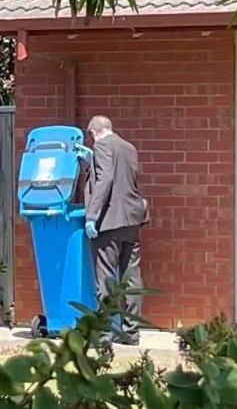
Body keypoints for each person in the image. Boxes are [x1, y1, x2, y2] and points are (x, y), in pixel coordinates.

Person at [83, 115, 148, 345]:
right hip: (132, 219)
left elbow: (106, 179)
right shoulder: (128, 147)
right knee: (131, 276)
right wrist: (92, 160)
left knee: (106, 276)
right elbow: (124, 178)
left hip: (109, 221)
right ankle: (131, 333)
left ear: (93, 133)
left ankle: (106, 333)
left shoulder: (101, 145)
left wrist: (91, 216)